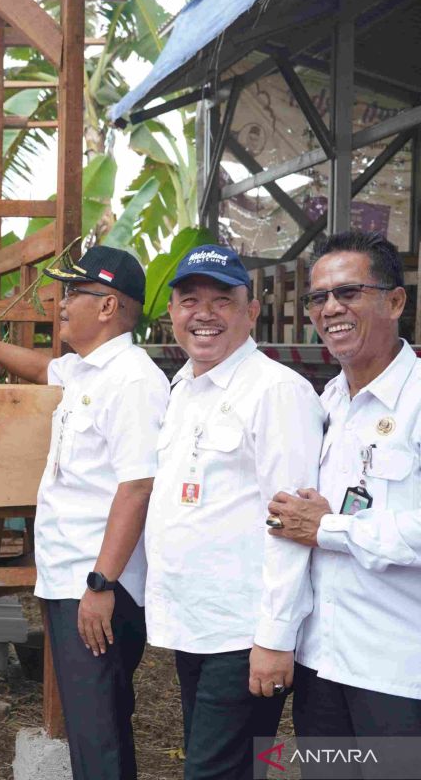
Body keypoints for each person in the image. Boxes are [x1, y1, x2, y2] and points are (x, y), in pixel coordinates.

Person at [0, 246, 167, 780]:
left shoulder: (133, 381)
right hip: (70, 580)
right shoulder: (89, 370)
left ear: (107, 306)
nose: (59, 303)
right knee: (94, 725)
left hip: (96, 586)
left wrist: (101, 584)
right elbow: (44, 367)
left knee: (100, 727)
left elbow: (138, 488)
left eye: (72, 294)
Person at [144, 244, 324, 780]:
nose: (204, 314)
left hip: (243, 633)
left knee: (213, 771)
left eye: (223, 300)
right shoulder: (184, 389)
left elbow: (292, 525)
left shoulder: (276, 392)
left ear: (252, 311)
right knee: (220, 766)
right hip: (196, 624)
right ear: (171, 313)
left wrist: (274, 637)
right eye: (189, 299)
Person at [268, 231, 421, 749]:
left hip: (398, 672)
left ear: (395, 300)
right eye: (318, 298)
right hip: (322, 663)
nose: (331, 307)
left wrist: (331, 528)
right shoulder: (327, 400)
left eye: (349, 292)